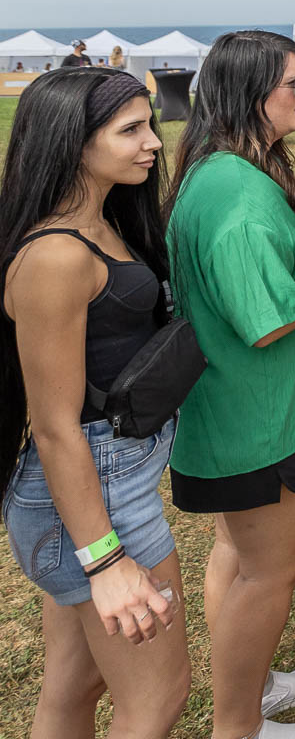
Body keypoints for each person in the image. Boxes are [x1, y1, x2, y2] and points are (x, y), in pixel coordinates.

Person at [166, 31, 295, 739]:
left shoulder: (229, 168)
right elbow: (268, 320)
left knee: (239, 556)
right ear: (250, 95)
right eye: (294, 85)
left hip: (245, 414)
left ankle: (253, 691)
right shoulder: (237, 198)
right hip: (261, 421)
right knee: (268, 572)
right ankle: (239, 725)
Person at [0, 70, 189, 739]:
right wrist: (105, 562)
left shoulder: (101, 221)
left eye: (149, 125)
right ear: (72, 143)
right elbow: (55, 428)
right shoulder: (55, 256)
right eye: (130, 130)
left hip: (101, 487)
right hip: (93, 500)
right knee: (157, 699)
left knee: (74, 688)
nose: (153, 143)